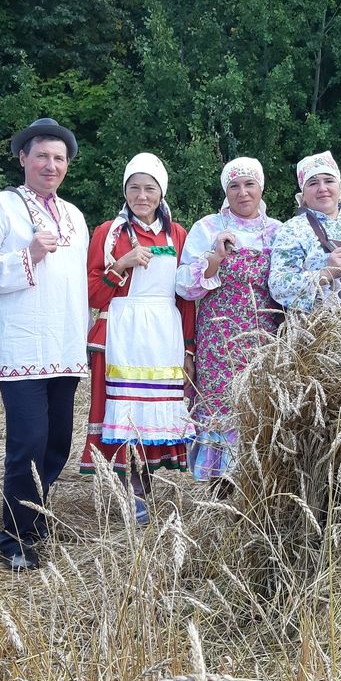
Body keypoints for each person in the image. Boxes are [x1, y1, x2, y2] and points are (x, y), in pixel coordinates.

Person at [0, 118, 89, 570]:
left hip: (65, 345)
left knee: (57, 442)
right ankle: (17, 538)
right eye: (42, 155)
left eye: (59, 158)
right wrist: (28, 255)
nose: (50, 165)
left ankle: (32, 514)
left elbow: (77, 283)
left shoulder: (75, 215)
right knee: (28, 442)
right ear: (22, 158)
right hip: (22, 346)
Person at [79, 152, 194, 521]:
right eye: (134, 188)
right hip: (123, 332)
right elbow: (93, 293)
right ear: (124, 191)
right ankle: (127, 491)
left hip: (163, 332)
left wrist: (189, 344)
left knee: (152, 415)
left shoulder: (177, 234)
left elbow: (186, 294)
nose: (141, 196)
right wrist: (121, 265)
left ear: (162, 193)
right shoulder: (108, 233)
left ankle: (144, 485)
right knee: (124, 413)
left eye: (149, 188)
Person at [176, 157, 282, 482]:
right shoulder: (207, 228)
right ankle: (216, 496)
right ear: (225, 190)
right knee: (221, 415)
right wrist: (214, 258)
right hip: (220, 345)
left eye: (249, 184)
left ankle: (256, 494)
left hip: (265, 343)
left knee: (260, 414)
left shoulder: (278, 232)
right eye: (234, 186)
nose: (243, 192)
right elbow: (183, 285)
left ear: (261, 187)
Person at [268, 150, 341, 312]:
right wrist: (324, 273)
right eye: (313, 183)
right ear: (303, 195)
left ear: (340, 191)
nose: (322, 188)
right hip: (318, 332)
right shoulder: (292, 229)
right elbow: (278, 285)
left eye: (329, 181)